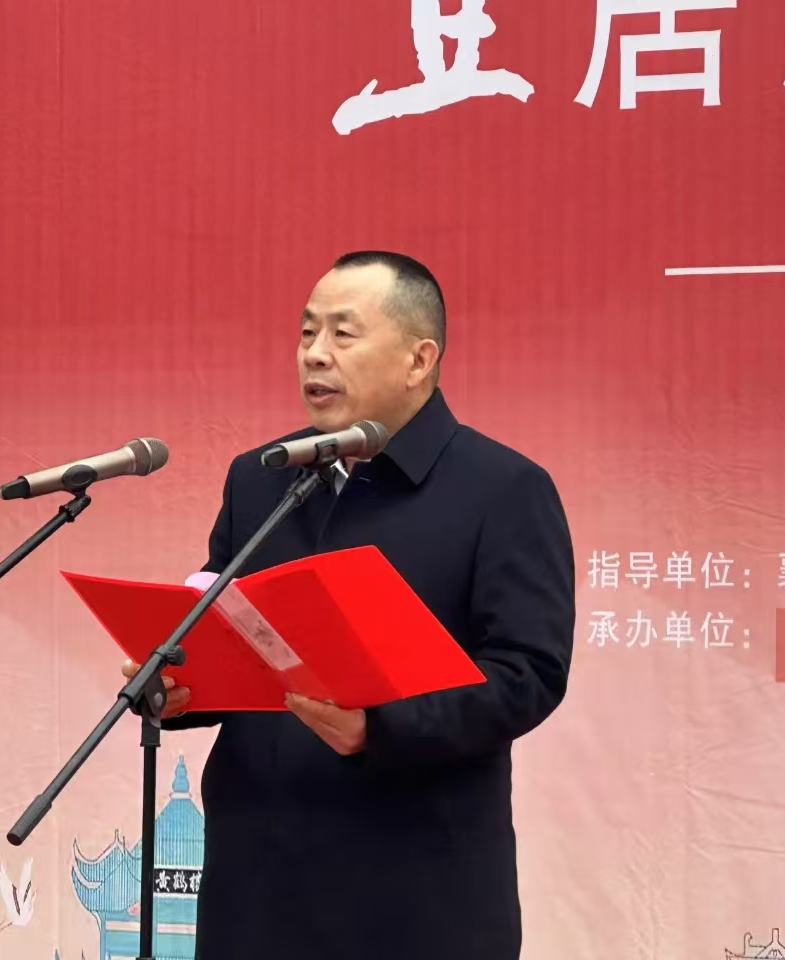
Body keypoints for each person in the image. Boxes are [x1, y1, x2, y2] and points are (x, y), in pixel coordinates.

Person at [123, 251, 575, 958]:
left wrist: (381, 728)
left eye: (343, 333)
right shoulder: (262, 478)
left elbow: (528, 674)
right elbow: (227, 628)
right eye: (307, 332)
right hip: (258, 881)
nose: (315, 354)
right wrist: (182, 686)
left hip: (414, 888)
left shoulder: (503, 489)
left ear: (419, 360)